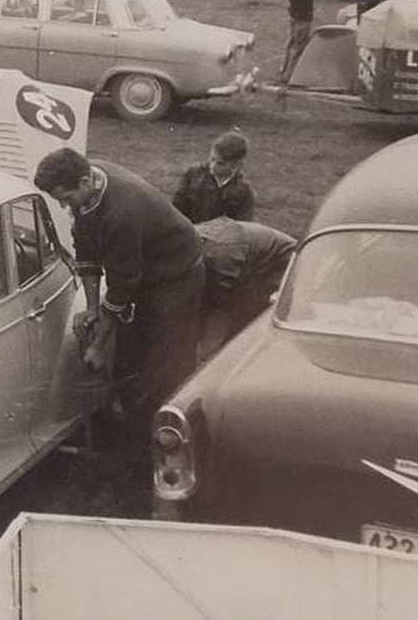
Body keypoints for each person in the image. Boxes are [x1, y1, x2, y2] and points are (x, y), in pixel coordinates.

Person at [34, 148, 205, 466]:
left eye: (65, 197)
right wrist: (93, 310)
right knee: (130, 350)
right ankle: (134, 427)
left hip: (175, 276)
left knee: (165, 361)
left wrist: (98, 346)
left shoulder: (122, 213)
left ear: (85, 181)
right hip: (140, 273)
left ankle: (162, 447)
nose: (63, 205)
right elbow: (86, 254)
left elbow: (123, 285)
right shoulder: (88, 189)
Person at [195, 216, 296, 357]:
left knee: (236, 314)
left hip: (280, 264)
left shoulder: (221, 254)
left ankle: (219, 356)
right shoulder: (193, 240)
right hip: (249, 259)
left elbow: (220, 299)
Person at [172, 131, 256, 224]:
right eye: (212, 159)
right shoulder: (193, 175)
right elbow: (176, 209)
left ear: (237, 165)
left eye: (221, 164)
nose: (213, 166)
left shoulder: (244, 193)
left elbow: (241, 228)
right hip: (189, 232)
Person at [279, 0, 317, 84]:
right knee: (299, 46)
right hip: (303, 15)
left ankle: (285, 72)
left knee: (292, 44)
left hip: (296, 14)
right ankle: (290, 76)